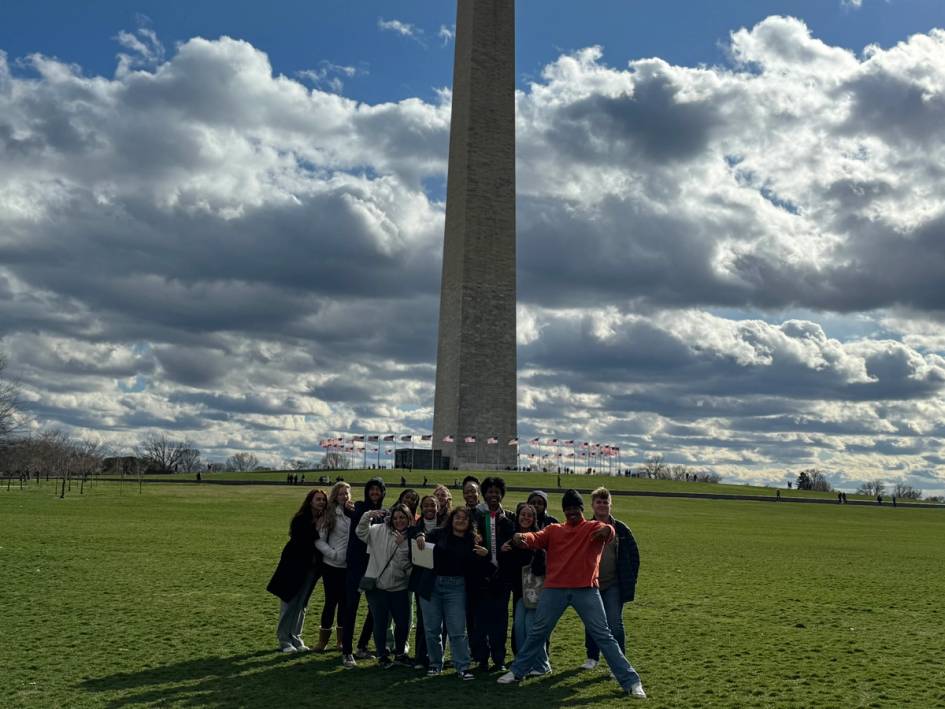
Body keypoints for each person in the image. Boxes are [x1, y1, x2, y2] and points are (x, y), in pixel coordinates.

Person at [497, 490, 646, 700]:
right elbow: (535, 537)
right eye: (568, 509)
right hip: (555, 589)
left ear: (581, 509)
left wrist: (607, 531)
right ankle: (517, 671)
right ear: (564, 510)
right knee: (538, 631)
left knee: (603, 635)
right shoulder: (554, 530)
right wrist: (521, 536)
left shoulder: (593, 527)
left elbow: (608, 529)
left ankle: (631, 681)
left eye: (575, 508)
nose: (571, 512)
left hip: (586, 589)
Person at [414, 507, 490, 679]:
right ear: (451, 519)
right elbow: (418, 532)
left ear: (470, 522)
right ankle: (435, 664)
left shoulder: (473, 540)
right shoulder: (438, 533)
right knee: (432, 630)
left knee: (457, 630)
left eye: (464, 518)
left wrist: (484, 555)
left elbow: (480, 569)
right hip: (432, 586)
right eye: (457, 517)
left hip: (456, 587)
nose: (460, 520)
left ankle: (462, 666)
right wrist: (419, 535)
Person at [581, 487, 640, 672]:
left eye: (605, 502)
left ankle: (619, 663)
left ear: (610, 505)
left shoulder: (621, 529)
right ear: (592, 505)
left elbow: (634, 556)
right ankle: (592, 657)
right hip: (591, 584)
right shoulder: (585, 528)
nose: (602, 505)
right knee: (592, 622)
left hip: (614, 583)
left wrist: (629, 580)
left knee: (614, 623)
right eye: (598, 502)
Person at [267, 488, 328, 653]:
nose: (321, 502)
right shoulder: (301, 519)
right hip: (294, 567)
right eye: (318, 499)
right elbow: (305, 540)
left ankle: (296, 637)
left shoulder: (325, 520)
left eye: (323, 500)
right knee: (290, 602)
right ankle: (284, 640)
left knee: (302, 604)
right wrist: (317, 527)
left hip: (312, 569)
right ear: (310, 501)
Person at [357, 503, 414, 667]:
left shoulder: (413, 536)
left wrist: (403, 546)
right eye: (395, 517)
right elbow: (360, 532)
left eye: (402, 517)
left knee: (403, 623)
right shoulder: (378, 529)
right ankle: (382, 655)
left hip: (400, 587)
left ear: (408, 518)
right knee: (380, 622)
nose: (399, 521)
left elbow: (408, 567)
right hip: (377, 587)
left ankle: (400, 653)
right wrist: (367, 516)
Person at [340, 477, 387, 667]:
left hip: (374, 565)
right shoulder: (358, 506)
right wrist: (352, 508)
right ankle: (346, 651)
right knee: (351, 607)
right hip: (357, 565)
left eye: (378, 490)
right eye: (372, 489)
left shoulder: (385, 513)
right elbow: (351, 512)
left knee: (374, 609)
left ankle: (362, 646)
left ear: (383, 493)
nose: (375, 492)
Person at [470, 477, 514, 672]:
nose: (493, 495)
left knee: (500, 621)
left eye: (497, 492)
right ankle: (481, 659)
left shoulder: (510, 518)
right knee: (480, 621)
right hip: (480, 578)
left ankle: (499, 658)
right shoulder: (476, 518)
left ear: (501, 494)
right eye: (489, 492)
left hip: (501, 578)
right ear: (484, 495)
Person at [501, 502, 550, 675]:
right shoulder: (511, 539)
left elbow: (541, 568)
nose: (526, 518)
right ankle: (524, 662)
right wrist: (504, 550)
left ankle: (542, 664)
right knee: (519, 627)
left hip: (536, 592)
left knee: (532, 627)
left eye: (530, 515)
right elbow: (506, 568)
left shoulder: (538, 538)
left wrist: (536, 551)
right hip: (520, 592)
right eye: (523, 514)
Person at [313, 482, 352, 654]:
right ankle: (322, 642)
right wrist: (333, 554)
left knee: (344, 604)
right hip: (331, 565)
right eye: (342, 494)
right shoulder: (330, 514)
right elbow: (319, 540)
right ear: (335, 496)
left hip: (348, 566)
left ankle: (341, 641)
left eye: (347, 493)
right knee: (331, 602)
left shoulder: (352, 512)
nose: (345, 496)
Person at [410, 495, 443, 669]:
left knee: (442, 621)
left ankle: (439, 656)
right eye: (426, 505)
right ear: (421, 508)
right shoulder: (415, 526)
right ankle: (421, 657)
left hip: (442, 577)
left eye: (433, 505)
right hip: (422, 579)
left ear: (438, 507)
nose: (430, 508)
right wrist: (420, 534)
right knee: (424, 621)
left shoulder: (445, 524)